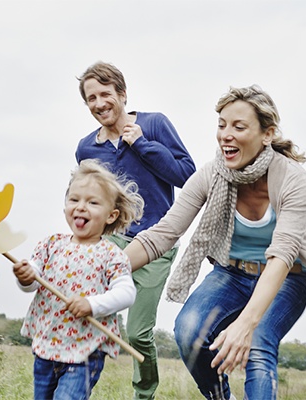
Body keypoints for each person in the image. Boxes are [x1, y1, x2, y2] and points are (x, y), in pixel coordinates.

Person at [123, 85, 306, 399]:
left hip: (286, 278)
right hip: (231, 274)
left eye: (238, 127)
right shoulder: (211, 175)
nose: (226, 135)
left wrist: (247, 323)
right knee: (189, 331)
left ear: (266, 134)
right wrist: (104, 268)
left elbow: (283, 254)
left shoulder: (293, 180)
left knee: (258, 343)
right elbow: (164, 233)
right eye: (222, 125)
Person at [76, 61, 196, 399]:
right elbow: (88, 198)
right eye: (91, 98)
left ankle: (144, 395)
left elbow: (187, 175)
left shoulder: (154, 124)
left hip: (157, 243)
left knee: (138, 333)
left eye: (105, 94)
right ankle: (75, 389)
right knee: (91, 318)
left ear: (122, 94)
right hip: (110, 242)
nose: (98, 103)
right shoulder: (87, 148)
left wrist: (143, 144)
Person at [13, 159, 144, 400]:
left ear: (111, 215)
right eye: (74, 200)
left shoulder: (111, 255)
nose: (81, 207)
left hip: (85, 351)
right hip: (47, 344)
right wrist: (25, 275)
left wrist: (92, 304)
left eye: (93, 202)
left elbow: (127, 293)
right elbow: (32, 280)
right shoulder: (51, 245)